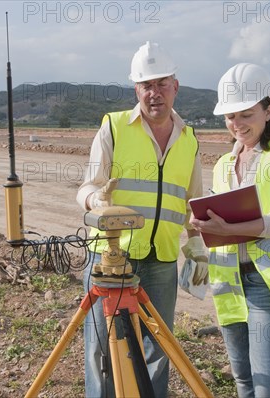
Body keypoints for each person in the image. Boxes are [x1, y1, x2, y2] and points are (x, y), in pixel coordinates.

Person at [76, 41, 207, 398]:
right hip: (111, 260)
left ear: (175, 87)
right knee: (103, 351)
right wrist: (96, 199)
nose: (155, 93)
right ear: (136, 90)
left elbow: (192, 202)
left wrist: (195, 243)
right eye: (147, 85)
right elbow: (86, 187)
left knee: (159, 350)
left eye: (162, 83)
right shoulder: (115, 127)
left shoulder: (189, 139)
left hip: (162, 261)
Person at [189, 63, 270, 397]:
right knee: (244, 382)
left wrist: (228, 226)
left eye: (246, 114)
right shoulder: (222, 166)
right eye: (231, 116)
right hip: (229, 281)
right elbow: (221, 223)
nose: (237, 124)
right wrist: (205, 225)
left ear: (267, 111)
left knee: (268, 388)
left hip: (266, 285)